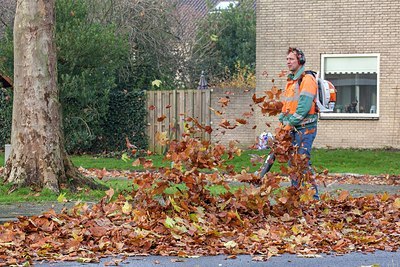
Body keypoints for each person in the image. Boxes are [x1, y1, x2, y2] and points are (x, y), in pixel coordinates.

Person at [279, 47, 319, 200]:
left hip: (306, 128)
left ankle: (314, 198)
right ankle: (296, 196)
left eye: (291, 59)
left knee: (302, 162)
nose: (288, 61)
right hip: (294, 128)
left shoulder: (307, 79)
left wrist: (289, 123)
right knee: (293, 163)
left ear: (300, 60)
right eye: (287, 59)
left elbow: (303, 107)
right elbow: (287, 105)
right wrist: (282, 119)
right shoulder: (291, 80)